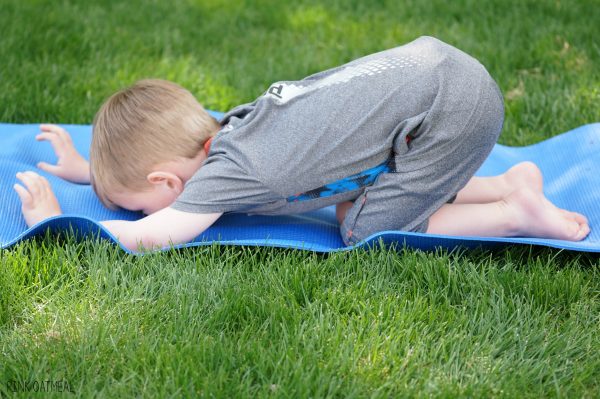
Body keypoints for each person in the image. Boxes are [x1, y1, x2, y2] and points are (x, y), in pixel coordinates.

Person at [13, 36, 590, 251]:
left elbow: (150, 237)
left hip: (449, 113)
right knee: (367, 182)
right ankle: (508, 183)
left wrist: (54, 221)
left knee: (362, 226)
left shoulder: (226, 174)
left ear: (168, 181)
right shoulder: (230, 127)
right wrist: (92, 172)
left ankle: (515, 211)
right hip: (440, 77)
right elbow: (152, 186)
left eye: (132, 201)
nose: (132, 210)